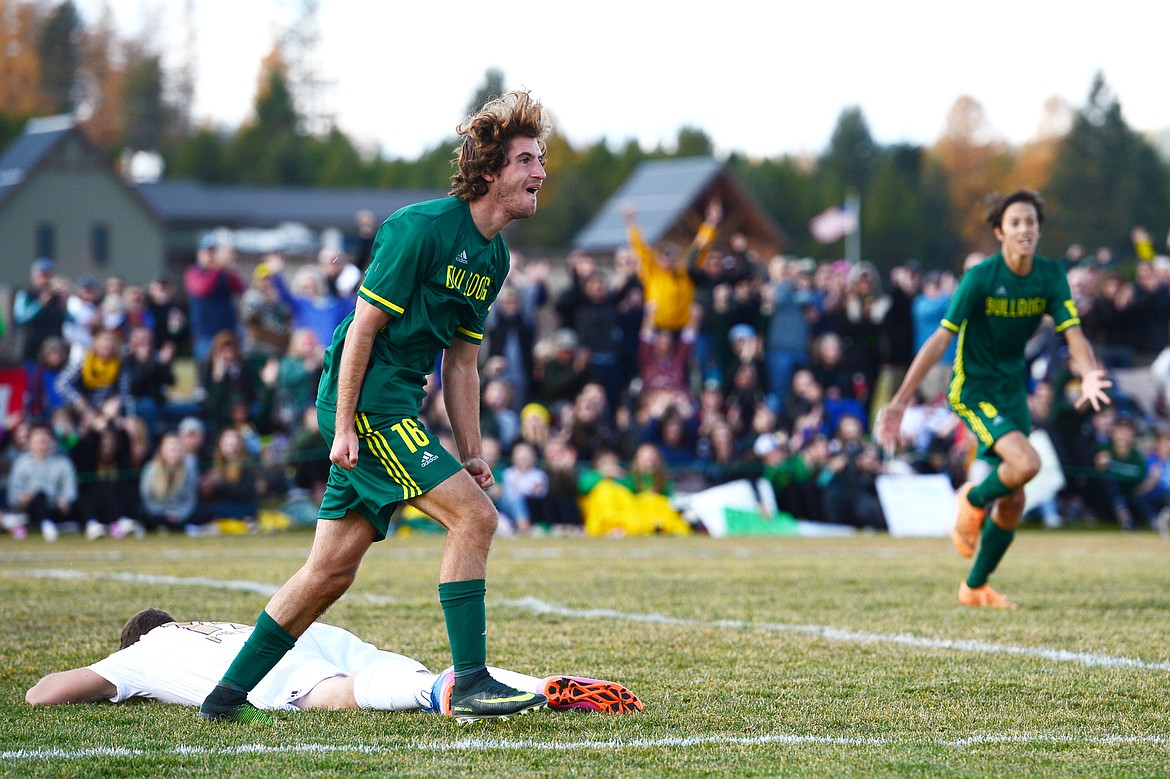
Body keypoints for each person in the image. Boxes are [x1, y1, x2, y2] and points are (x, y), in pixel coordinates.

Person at [199, 90, 552, 724]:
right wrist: (341, 428)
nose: (539, 172)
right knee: (477, 520)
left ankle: (224, 698)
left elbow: (463, 363)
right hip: (367, 405)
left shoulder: (494, 258)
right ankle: (470, 682)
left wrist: (472, 454)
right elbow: (360, 331)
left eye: (541, 158)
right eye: (527, 159)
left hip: (395, 406)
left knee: (329, 572)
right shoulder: (418, 229)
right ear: (492, 170)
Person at [875, 189, 1111, 609]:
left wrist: (1090, 372)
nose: (1025, 229)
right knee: (1027, 464)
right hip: (974, 388)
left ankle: (975, 586)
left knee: (1016, 495)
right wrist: (899, 401)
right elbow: (939, 339)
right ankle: (973, 498)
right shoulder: (981, 277)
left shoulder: (1051, 275)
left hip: (1011, 390)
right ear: (1000, 230)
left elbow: (1072, 333)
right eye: (1016, 222)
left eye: (1032, 222)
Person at [26, 608, 642, 720]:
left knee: (351, 694)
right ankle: (535, 682)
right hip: (302, 632)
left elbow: (43, 695)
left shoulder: (140, 655)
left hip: (266, 670)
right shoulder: (196, 626)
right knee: (418, 673)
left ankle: (440, 695)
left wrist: (120, 675)